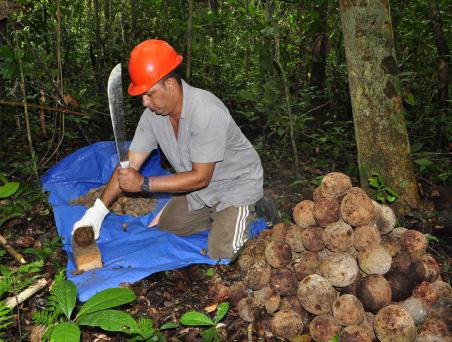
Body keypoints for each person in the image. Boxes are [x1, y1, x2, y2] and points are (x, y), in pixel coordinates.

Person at [72, 39, 268, 259]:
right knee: (169, 225)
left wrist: (143, 184)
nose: (144, 102)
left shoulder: (205, 111)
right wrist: (97, 212)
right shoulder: (153, 116)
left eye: (149, 93)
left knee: (222, 252)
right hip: (202, 192)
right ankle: (219, 218)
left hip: (235, 186)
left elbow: (201, 177)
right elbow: (128, 165)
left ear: (171, 85)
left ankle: (252, 212)